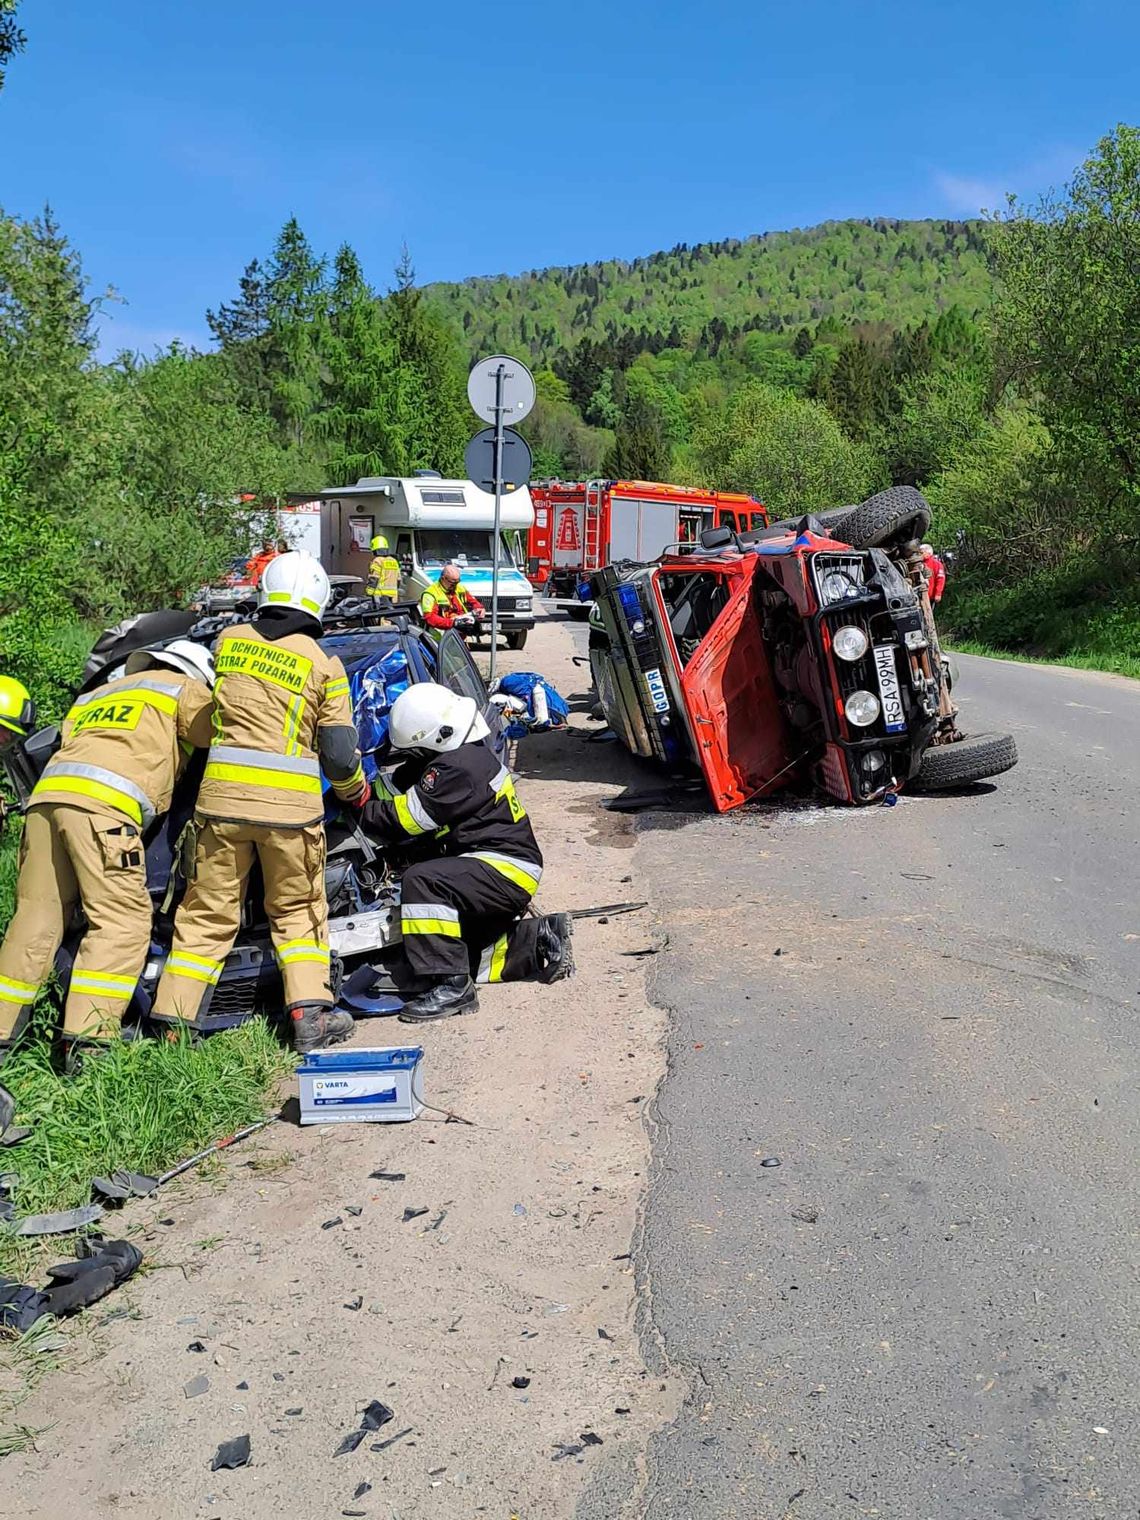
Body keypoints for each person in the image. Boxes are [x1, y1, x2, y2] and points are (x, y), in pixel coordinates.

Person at [151, 552, 368, 1054]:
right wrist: (355, 791)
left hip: (221, 807)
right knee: (297, 911)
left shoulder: (228, 645)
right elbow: (338, 754)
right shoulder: (323, 663)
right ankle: (311, 1020)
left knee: (205, 913)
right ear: (317, 601)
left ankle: (171, 1023)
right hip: (289, 815)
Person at [0, 645, 216, 1064]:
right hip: (105, 809)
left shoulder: (97, 695)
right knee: (121, 921)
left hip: (45, 803)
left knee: (35, 917)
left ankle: (4, 1034)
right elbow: (219, 733)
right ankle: (88, 1045)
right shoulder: (182, 690)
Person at [358, 682, 543, 1022]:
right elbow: (408, 783)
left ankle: (453, 986)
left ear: (435, 736)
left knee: (424, 882)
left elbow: (404, 820)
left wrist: (357, 805)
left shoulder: (457, 767)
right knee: (427, 881)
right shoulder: (466, 753)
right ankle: (510, 948)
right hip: (499, 862)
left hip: (505, 869)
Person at [419, 562, 485, 639]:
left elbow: (473, 602)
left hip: (458, 636)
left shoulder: (459, 588)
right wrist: (453, 623)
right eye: (453, 583)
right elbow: (430, 618)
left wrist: (479, 609)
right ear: (443, 578)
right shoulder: (430, 594)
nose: (455, 586)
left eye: (457, 582)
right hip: (439, 639)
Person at [367, 534, 401, 607]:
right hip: (393, 597)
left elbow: (374, 579)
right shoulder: (394, 561)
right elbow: (398, 580)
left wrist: (368, 593)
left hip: (380, 596)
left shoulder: (377, 561)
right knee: (391, 616)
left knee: (381, 617)